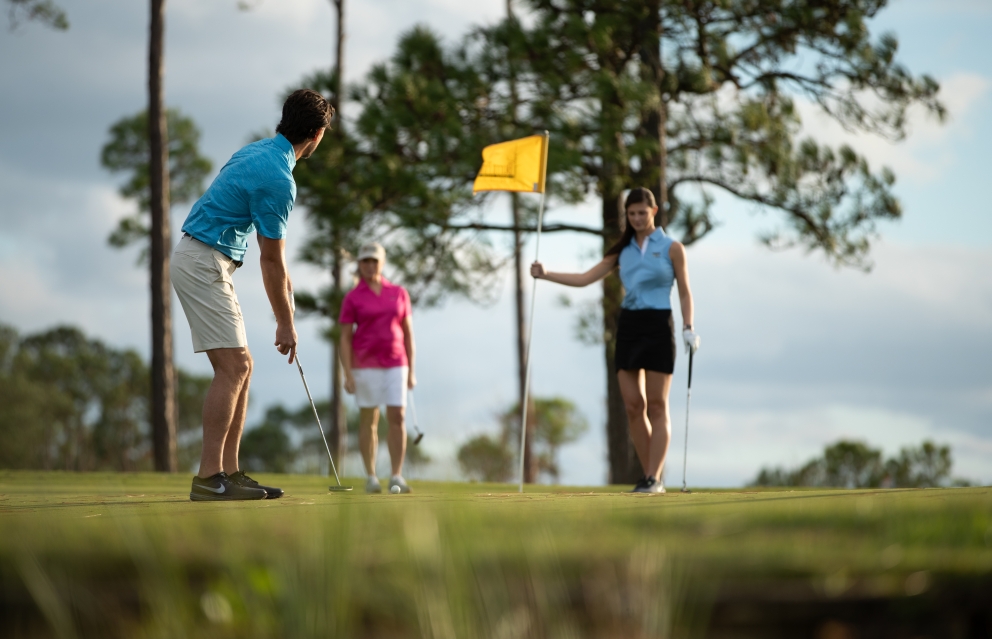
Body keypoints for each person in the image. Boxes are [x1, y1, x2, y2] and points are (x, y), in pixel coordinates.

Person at [172, 89, 333, 501]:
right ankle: (209, 478)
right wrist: (286, 323)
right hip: (204, 261)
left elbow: (274, 257)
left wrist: (286, 293)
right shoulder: (280, 179)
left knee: (243, 366)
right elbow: (271, 260)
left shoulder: (257, 151)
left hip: (203, 258)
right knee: (234, 367)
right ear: (316, 134)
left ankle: (229, 472)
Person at [530, 187, 700, 494]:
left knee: (657, 405)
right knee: (634, 406)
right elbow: (585, 278)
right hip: (629, 326)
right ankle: (649, 476)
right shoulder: (623, 250)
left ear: (654, 211)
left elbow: (686, 292)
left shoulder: (672, 248)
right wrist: (546, 274)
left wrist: (689, 327)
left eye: (642, 213)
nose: (636, 218)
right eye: (631, 214)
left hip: (659, 325)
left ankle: (654, 478)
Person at [339, 242, 417, 494]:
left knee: (398, 417)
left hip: (396, 362)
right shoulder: (353, 297)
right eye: (365, 261)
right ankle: (371, 476)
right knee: (369, 419)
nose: (370, 265)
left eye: (374, 261)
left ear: (382, 263)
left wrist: (412, 370)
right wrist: (347, 373)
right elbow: (345, 338)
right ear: (359, 264)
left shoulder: (399, 292)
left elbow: (408, 333)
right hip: (365, 365)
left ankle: (396, 475)